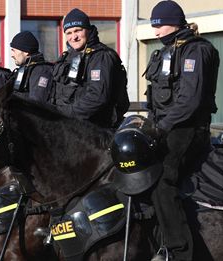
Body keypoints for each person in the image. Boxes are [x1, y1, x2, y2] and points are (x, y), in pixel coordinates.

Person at [145, 1, 219, 260]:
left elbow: (190, 101)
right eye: (154, 26)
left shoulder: (196, 51)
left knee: (161, 178)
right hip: (165, 127)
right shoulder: (164, 52)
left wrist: (161, 128)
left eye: (160, 25)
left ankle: (178, 251)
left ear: (175, 22)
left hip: (189, 129)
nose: (156, 32)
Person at [52, 8, 129, 128]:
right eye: (69, 33)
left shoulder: (101, 56)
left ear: (88, 30)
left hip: (97, 129)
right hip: (70, 126)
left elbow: (98, 96)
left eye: (78, 30)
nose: (74, 37)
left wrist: (64, 114)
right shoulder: (67, 57)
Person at [10, 31, 53, 104]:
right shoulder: (26, 69)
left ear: (26, 51)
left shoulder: (41, 71)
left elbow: (37, 105)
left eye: (14, 50)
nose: (12, 55)